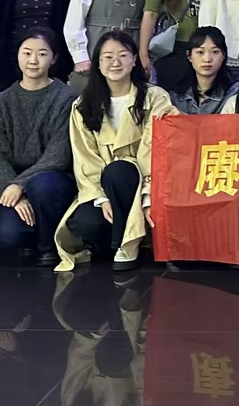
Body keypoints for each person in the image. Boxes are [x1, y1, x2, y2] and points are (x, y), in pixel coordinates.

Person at [55, 31, 174, 272]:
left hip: (146, 183)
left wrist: (147, 197)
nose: (115, 62)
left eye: (123, 55)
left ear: (134, 59)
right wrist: (102, 198)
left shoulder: (155, 97)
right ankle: (120, 240)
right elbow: (85, 158)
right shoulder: (83, 105)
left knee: (120, 170)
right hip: (103, 186)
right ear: (98, 63)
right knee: (85, 223)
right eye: (108, 57)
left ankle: (126, 245)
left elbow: (155, 153)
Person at [0, 28, 78, 265]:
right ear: (18, 55)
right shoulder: (2, 101)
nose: (33, 60)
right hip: (14, 182)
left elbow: (58, 155)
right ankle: (31, 234)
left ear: (53, 58)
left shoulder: (67, 98)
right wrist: (15, 191)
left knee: (44, 185)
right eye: (27, 53)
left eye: (42, 54)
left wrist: (20, 184)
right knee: (7, 236)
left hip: (53, 181)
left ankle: (49, 246)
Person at [167, 26, 238, 115]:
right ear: (189, 56)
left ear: (224, 55)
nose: (207, 59)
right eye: (200, 52)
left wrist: (185, 118)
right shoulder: (176, 96)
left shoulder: (235, 94)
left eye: (215, 52)